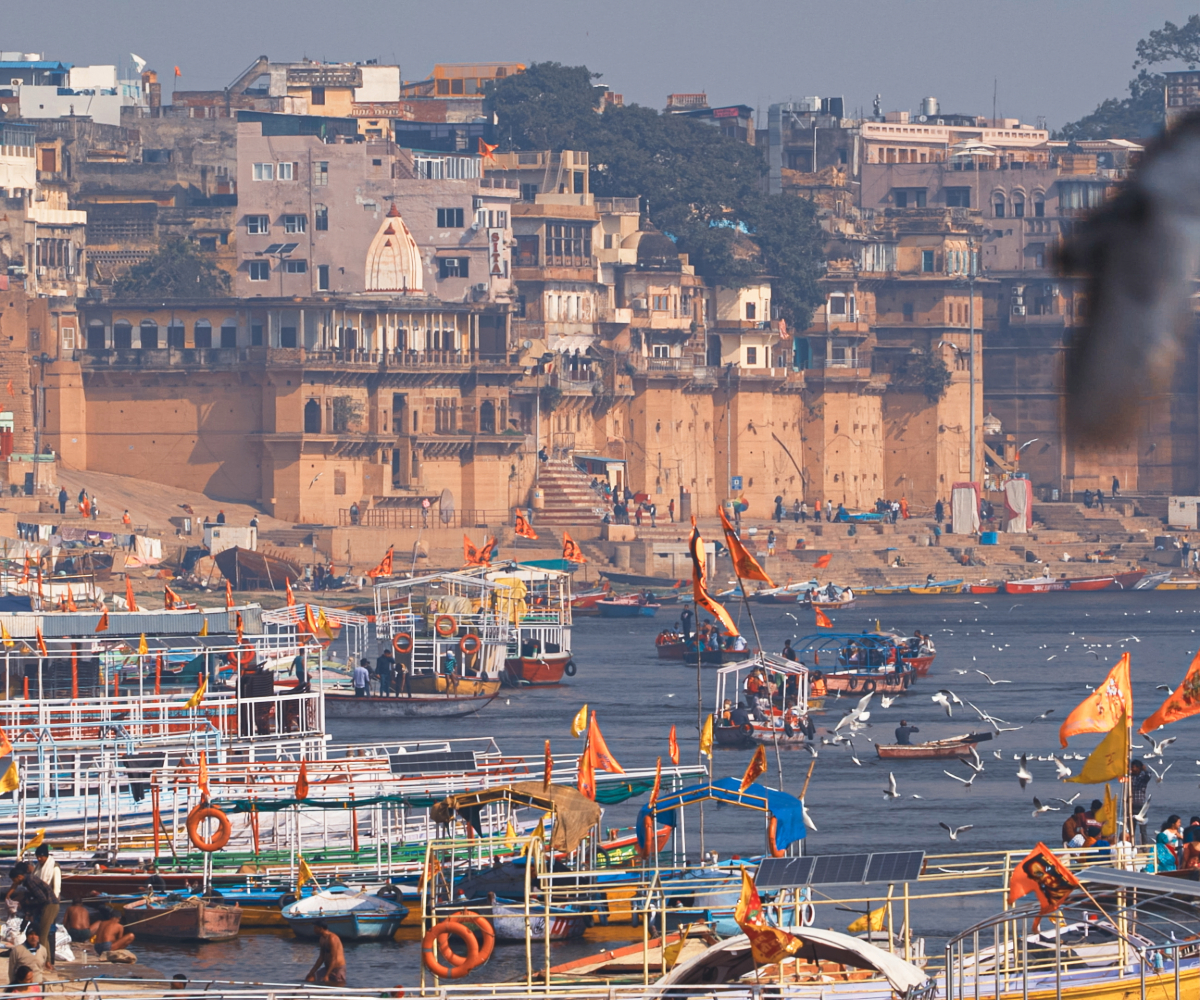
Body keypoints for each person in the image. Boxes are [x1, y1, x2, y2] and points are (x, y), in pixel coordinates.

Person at [33, 845, 60, 965]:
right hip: (41, 903)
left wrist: (51, 901)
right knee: (43, 931)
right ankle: (47, 959)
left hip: (50, 903)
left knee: (47, 933)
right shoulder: (38, 868)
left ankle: (48, 960)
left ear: (46, 856)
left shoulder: (54, 868)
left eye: (41, 857)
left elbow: (56, 888)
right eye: (37, 857)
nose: (39, 859)